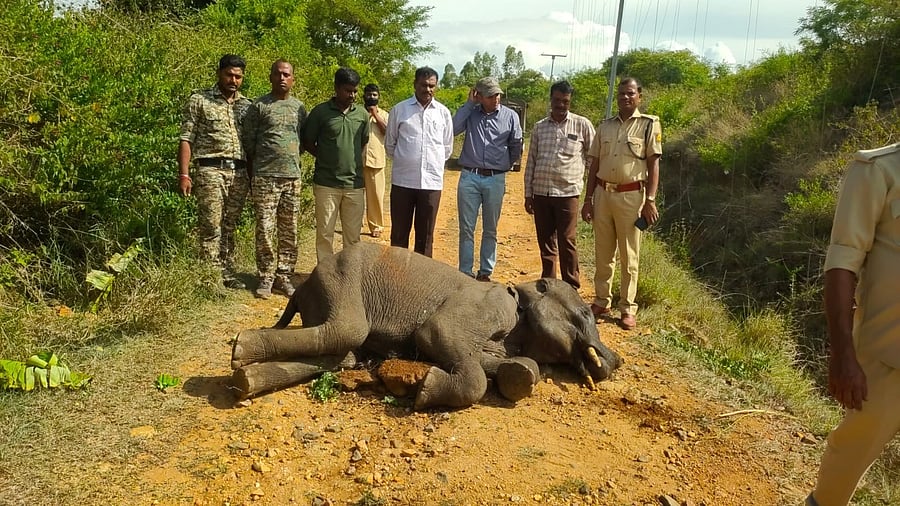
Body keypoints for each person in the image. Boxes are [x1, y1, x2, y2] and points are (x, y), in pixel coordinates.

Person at [805, 143, 900, 506]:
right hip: (887, 357)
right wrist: (843, 354)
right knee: (848, 460)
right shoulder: (877, 170)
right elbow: (842, 263)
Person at [581, 77, 661, 331]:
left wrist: (649, 199)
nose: (625, 98)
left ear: (640, 95)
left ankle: (627, 307)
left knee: (629, 255)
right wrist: (588, 198)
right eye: (621, 94)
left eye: (630, 94)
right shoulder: (604, 127)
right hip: (604, 194)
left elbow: (653, 164)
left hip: (632, 197)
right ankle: (602, 300)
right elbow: (594, 164)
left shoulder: (648, 125)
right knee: (603, 253)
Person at [177, 54, 252, 289]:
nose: (233, 80)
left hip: (239, 172)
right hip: (210, 170)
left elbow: (252, 144)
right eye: (229, 74)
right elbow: (186, 138)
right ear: (219, 73)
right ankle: (210, 276)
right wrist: (184, 174)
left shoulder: (247, 106)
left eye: (238, 76)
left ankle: (227, 273)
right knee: (211, 224)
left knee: (230, 225)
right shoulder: (200, 100)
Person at [242, 59, 307, 299]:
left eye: (287, 74)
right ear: (270, 77)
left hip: (292, 177)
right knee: (265, 229)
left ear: (293, 79)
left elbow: (301, 139)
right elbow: (248, 141)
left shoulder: (299, 108)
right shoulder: (259, 106)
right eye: (278, 74)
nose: (282, 78)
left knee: (289, 229)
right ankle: (266, 276)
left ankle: (284, 275)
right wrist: (257, 169)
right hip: (265, 177)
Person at [524, 80, 595, 289]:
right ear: (551, 100)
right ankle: (548, 286)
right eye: (557, 100)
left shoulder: (582, 125)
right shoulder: (539, 127)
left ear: (570, 101)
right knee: (546, 243)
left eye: (565, 101)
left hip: (567, 193)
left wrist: (592, 196)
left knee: (567, 241)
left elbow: (593, 160)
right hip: (542, 194)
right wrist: (528, 194)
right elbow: (532, 161)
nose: (560, 105)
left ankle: (571, 287)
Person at [452, 76, 523, 281]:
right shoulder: (471, 114)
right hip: (469, 177)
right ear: (479, 96)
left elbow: (515, 144)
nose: (496, 98)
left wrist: (505, 165)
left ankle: (485, 271)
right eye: (491, 95)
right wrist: (468, 104)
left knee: (490, 228)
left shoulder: (510, 116)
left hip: (495, 179)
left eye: (498, 94)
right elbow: (454, 128)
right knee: (466, 228)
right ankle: (465, 271)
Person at [301, 67, 369, 262]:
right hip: (326, 184)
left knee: (353, 237)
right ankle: (325, 276)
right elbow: (308, 142)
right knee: (324, 234)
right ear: (337, 88)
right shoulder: (320, 113)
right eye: (348, 90)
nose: (352, 95)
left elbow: (363, 142)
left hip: (354, 185)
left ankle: (350, 274)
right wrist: (326, 159)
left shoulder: (362, 115)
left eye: (355, 91)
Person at [384, 67, 454, 257]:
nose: (428, 90)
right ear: (415, 84)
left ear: (436, 87)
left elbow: (447, 148)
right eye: (423, 85)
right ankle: (396, 280)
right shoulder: (400, 110)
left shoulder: (443, 113)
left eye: (432, 86)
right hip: (402, 183)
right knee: (399, 235)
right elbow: (390, 144)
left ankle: (420, 283)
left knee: (425, 237)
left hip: (431, 184)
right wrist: (407, 161)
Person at [362, 84, 389, 238]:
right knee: (355, 197)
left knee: (376, 197)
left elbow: (387, 131)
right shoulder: (357, 113)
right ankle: (355, 223)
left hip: (376, 161)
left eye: (374, 95)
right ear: (363, 96)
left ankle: (376, 226)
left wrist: (375, 115)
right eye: (368, 94)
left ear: (378, 96)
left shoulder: (384, 115)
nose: (371, 97)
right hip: (356, 161)